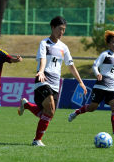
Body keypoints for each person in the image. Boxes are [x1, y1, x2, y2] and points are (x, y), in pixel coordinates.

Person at [18, 16, 87, 146]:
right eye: (60, 29)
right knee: (49, 109)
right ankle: (37, 140)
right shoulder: (44, 43)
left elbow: (71, 65)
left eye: (64, 30)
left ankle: (26, 105)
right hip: (43, 78)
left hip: (56, 83)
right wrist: (41, 71)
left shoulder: (64, 47)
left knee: (48, 113)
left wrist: (81, 82)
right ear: (52, 27)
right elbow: (42, 59)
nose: (62, 32)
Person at [67, 30, 114, 135]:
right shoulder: (105, 54)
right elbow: (95, 65)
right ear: (108, 44)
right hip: (101, 84)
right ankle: (76, 112)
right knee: (92, 107)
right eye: (113, 42)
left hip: (113, 86)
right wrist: (97, 73)